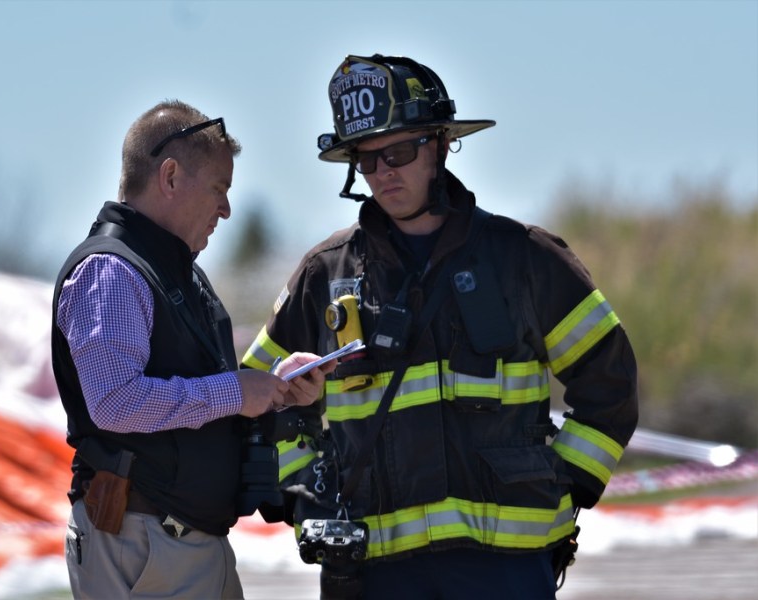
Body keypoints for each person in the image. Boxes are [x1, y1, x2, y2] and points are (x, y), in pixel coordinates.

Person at [241, 55, 639, 599]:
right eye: (366, 159)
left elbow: (610, 385)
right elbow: (257, 398)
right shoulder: (325, 275)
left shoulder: (525, 259)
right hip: (376, 572)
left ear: (440, 143)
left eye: (398, 152)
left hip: (507, 570)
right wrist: (307, 493)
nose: (383, 173)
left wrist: (564, 488)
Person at [51, 99, 331, 599]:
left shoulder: (171, 272)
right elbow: (115, 402)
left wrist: (273, 390)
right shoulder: (112, 272)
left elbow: (201, 392)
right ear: (171, 176)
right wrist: (234, 393)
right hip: (145, 546)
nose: (226, 208)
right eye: (219, 189)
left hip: (177, 546)